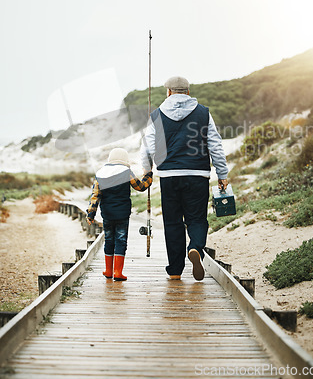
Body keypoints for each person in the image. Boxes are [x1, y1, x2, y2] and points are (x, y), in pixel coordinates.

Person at [141, 76, 229, 281]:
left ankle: (174, 270)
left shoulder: (156, 115)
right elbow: (215, 145)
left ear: (169, 92)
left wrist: (147, 170)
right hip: (198, 174)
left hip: (169, 176)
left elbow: (148, 147)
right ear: (187, 92)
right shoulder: (203, 113)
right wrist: (222, 174)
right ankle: (195, 247)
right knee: (197, 218)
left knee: (172, 222)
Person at [86, 147, 153, 281]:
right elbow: (140, 186)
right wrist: (149, 176)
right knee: (121, 240)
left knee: (109, 240)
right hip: (122, 213)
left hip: (107, 213)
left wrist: (90, 214)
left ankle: (108, 270)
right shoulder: (126, 172)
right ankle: (118, 272)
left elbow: (95, 196)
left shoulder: (100, 173)